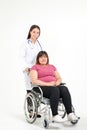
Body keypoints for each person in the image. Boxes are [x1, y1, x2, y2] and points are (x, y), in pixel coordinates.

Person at [30, 51, 78, 123]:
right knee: (55, 90)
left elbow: (59, 77)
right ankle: (55, 115)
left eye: (45, 57)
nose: (43, 58)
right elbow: (34, 81)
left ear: (47, 58)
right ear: (38, 59)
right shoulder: (35, 67)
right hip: (41, 87)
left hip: (54, 86)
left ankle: (70, 114)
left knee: (64, 88)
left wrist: (57, 82)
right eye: (41, 57)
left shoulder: (52, 66)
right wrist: (49, 84)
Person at [20, 25, 43, 92]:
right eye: (34, 32)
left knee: (39, 89)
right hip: (29, 69)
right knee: (30, 89)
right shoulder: (25, 44)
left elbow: (43, 55)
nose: (35, 34)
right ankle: (29, 102)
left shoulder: (39, 44)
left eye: (37, 32)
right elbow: (21, 57)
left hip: (38, 69)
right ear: (30, 32)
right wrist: (25, 67)